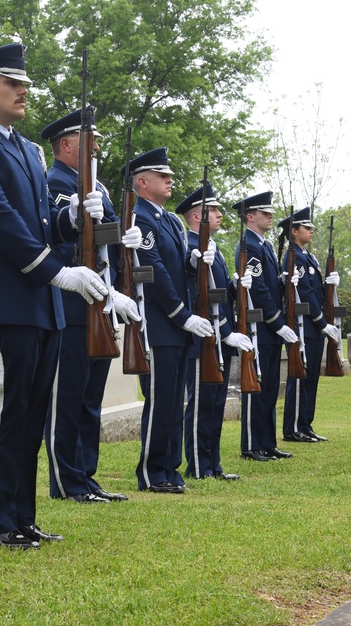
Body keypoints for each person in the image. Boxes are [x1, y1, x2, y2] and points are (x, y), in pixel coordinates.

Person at [0, 44, 109, 549]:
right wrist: (56, 273)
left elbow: (38, 222)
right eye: (13, 83)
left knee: (32, 413)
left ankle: (20, 515)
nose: (23, 91)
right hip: (2, 295)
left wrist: (72, 218)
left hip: (39, 302)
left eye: (25, 84)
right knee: (5, 409)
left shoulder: (27, 149)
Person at [40, 108, 141, 504]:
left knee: (89, 401)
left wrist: (124, 242)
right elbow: (58, 242)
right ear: (66, 146)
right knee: (68, 399)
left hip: (100, 304)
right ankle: (67, 481)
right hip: (70, 305)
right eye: (89, 140)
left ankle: (86, 475)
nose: (97, 146)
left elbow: (108, 242)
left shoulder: (94, 187)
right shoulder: (56, 186)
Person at [129, 148, 215, 493]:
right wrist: (183, 315)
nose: (170, 181)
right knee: (161, 400)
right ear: (143, 181)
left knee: (174, 401)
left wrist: (195, 264)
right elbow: (153, 272)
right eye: (163, 176)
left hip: (177, 326)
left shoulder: (169, 220)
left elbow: (177, 270)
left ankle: (169, 469)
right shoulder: (141, 217)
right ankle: (151, 473)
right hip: (159, 323)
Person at [178, 185, 252, 480]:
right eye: (215, 210)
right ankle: (198, 464)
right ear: (197, 216)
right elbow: (197, 295)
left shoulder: (213, 249)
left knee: (216, 404)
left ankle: (214, 464)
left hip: (219, 336)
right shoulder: (191, 248)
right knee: (201, 404)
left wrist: (235, 287)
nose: (221, 214)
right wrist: (223, 333)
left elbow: (218, 295)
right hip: (203, 337)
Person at [232, 191, 298, 461]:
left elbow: (269, 285)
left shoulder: (265, 245)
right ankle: (251, 444)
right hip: (260, 325)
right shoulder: (248, 245)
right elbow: (257, 290)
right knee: (256, 385)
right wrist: (278, 322)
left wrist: (284, 282)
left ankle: (267, 442)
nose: (271, 217)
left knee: (270, 387)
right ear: (251, 216)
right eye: (265, 213)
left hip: (270, 328)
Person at [279, 207, 340, 443]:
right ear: (295, 232)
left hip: (313, 326)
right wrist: (322, 322)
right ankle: (293, 428)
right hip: (303, 324)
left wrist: (330, 284)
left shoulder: (309, 257)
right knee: (300, 374)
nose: (312, 231)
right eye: (307, 228)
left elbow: (317, 291)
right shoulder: (294, 256)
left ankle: (306, 424)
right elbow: (304, 292)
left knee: (311, 376)